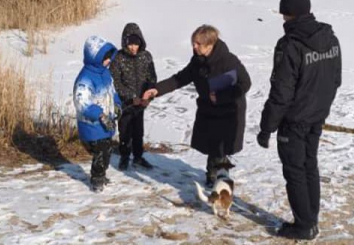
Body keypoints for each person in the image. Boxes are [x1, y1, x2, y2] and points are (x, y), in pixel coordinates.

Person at [257, 0, 342, 241]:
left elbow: (281, 92)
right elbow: (335, 80)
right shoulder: (330, 38)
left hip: (295, 120)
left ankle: (304, 226)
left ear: (289, 14)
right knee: (309, 166)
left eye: (284, 15)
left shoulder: (290, 45)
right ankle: (310, 219)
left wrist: (266, 127)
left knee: (295, 171)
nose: (283, 20)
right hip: (316, 116)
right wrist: (320, 108)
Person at [143, 25, 251, 187]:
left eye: (198, 43)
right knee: (212, 145)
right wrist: (157, 90)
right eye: (193, 42)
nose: (194, 46)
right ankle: (212, 174)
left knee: (221, 147)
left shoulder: (228, 60)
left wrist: (222, 97)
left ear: (210, 45)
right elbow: (179, 79)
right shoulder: (197, 61)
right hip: (208, 109)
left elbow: (245, 83)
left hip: (229, 110)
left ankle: (219, 178)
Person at [73, 35, 122, 192]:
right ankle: (97, 178)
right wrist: (100, 115)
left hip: (106, 123)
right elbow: (82, 102)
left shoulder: (105, 73)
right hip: (92, 125)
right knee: (101, 151)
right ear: (95, 57)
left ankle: (101, 172)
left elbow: (112, 91)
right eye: (105, 58)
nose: (109, 61)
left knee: (107, 149)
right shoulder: (85, 79)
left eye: (109, 57)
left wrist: (117, 105)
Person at [110, 23, 157, 170]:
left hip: (141, 103)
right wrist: (130, 97)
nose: (133, 47)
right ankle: (124, 156)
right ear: (124, 43)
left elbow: (152, 79)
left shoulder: (146, 57)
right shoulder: (118, 58)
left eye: (136, 44)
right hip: (126, 104)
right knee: (124, 131)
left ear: (141, 42)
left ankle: (138, 157)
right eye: (130, 44)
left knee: (138, 131)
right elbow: (115, 82)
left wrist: (147, 97)